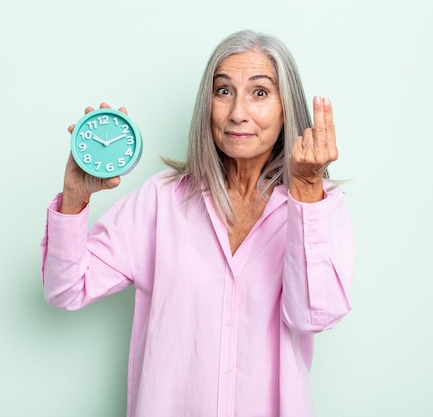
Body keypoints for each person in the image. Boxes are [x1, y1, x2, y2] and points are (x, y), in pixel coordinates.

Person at [41, 29, 355, 417]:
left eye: (259, 93)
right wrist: (74, 197)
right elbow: (67, 290)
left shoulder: (317, 207)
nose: (237, 112)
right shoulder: (162, 200)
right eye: (223, 91)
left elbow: (313, 316)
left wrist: (306, 190)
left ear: (286, 107)